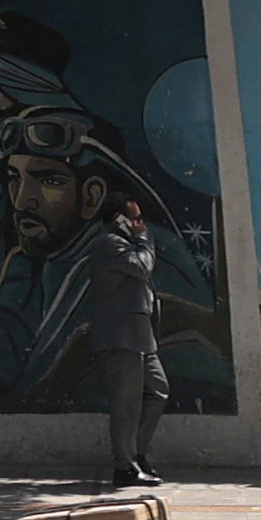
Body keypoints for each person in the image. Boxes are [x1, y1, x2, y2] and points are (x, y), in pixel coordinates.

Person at [88, 194, 164, 485]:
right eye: (134, 218)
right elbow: (142, 267)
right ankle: (125, 467)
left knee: (158, 391)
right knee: (126, 402)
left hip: (140, 335)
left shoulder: (123, 244)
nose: (138, 224)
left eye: (140, 219)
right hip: (122, 336)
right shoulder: (110, 243)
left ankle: (136, 453)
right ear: (117, 219)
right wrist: (144, 238)